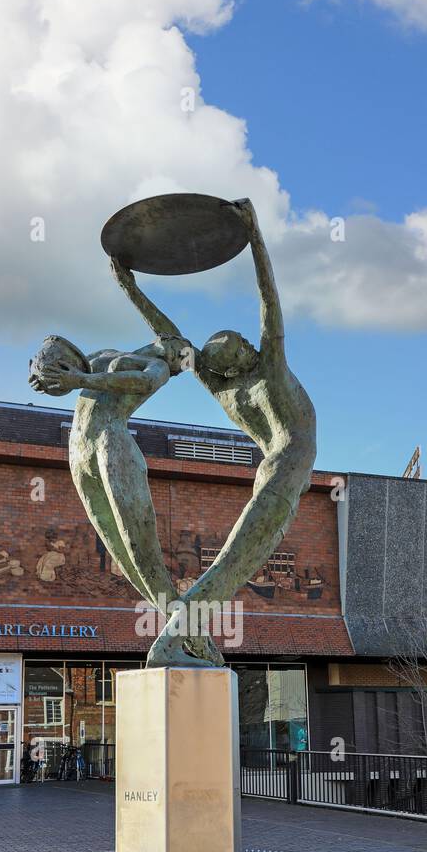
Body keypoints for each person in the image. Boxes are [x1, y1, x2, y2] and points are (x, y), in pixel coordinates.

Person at [111, 197, 316, 666]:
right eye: (242, 344)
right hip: (284, 469)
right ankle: (170, 643)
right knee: (233, 563)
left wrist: (132, 289)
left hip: (276, 470)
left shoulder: (223, 389)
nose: (249, 342)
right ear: (238, 360)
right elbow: (269, 303)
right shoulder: (271, 375)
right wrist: (254, 236)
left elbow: (173, 339)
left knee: (237, 560)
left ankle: (187, 641)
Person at [29, 333, 222, 666]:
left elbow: (142, 382)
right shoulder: (108, 350)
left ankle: (188, 640)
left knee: (140, 551)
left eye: (183, 361)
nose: (179, 361)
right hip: (78, 451)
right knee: (121, 554)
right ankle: (191, 636)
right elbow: (66, 369)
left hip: (111, 443)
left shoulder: (158, 367)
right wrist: (41, 375)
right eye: (183, 355)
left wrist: (80, 379)